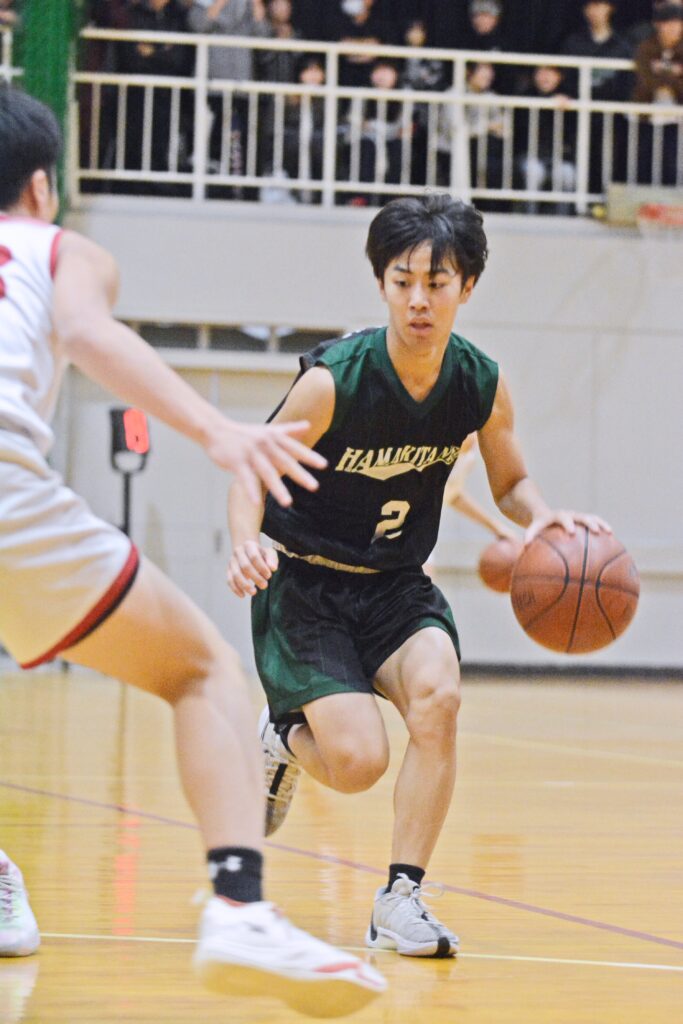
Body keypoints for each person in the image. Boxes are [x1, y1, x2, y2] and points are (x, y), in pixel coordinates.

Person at [0, 86, 385, 1014]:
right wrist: (218, 430)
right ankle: (239, 907)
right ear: (43, 188)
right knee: (200, 672)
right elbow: (86, 331)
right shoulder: (59, 249)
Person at [226, 192, 610, 958]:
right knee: (357, 763)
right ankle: (283, 737)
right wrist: (243, 540)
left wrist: (540, 518)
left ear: (467, 286)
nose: (417, 301)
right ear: (380, 283)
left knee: (439, 699)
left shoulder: (478, 382)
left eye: (436, 284)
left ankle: (400, 899)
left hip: (396, 584)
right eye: (402, 282)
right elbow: (252, 468)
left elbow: (508, 482)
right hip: (307, 585)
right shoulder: (333, 381)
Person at [632, 3, 683, 185]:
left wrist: (662, 71)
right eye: (668, 23)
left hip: (676, 115)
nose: (673, 29)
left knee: (671, 162)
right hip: (647, 112)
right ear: (658, 25)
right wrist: (673, 73)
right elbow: (646, 80)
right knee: (643, 160)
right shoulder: (646, 47)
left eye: (677, 24)